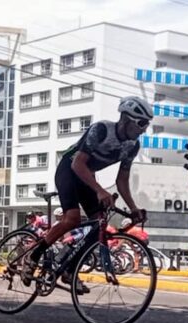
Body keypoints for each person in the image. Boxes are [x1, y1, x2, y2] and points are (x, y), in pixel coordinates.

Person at [26, 96, 152, 292]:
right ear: (127, 119)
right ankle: (33, 256)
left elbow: (122, 180)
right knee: (73, 219)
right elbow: (78, 163)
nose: (144, 129)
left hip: (86, 177)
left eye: (147, 124)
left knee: (99, 225)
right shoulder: (101, 130)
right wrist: (100, 190)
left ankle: (70, 271)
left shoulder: (132, 146)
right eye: (142, 123)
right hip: (70, 169)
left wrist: (134, 208)